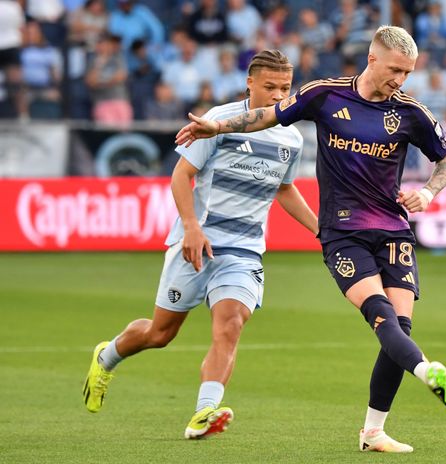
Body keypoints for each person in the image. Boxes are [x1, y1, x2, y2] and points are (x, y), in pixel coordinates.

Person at [175, 25, 446, 453]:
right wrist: (217, 127)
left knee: (399, 328)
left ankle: (373, 432)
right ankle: (426, 370)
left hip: (393, 231)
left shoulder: (411, 113)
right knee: (379, 314)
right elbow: (267, 116)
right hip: (343, 233)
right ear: (372, 59)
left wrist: (427, 192)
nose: (400, 80)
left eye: (408, 73)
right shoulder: (325, 94)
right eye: (395, 70)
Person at [82, 49, 319, 439]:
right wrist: (191, 226)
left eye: (286, 88)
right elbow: (181, 175)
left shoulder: (291, 137)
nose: (279, 96)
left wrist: (319, 230)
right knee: (160, 334)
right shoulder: (218, 122)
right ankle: (106, 357)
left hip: (243, 251)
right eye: (270, 87)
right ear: (250, 82)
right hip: (197, 243)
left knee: (231, 324)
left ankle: (203, 412)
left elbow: (285, 188)